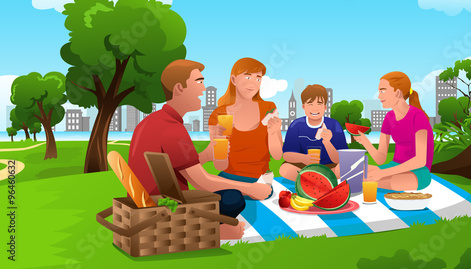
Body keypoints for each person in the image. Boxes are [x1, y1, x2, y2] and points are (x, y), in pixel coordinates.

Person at [128, 59, 272, 240]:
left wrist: (206, 155)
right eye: (199, 82)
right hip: (165, 208)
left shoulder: (156, 121)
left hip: (155, 200)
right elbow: (201, 182)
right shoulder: (172, 129)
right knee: (233, 198)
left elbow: (178, 164)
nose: (203, 89)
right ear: (180, 88)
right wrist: (251, 188)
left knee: (229, 195)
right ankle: (209, 232)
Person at [208, 58, 283, 192]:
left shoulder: (268, 108)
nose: (253, 83)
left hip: (261, 182)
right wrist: (220, 145)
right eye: (248, 77)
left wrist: (273, 132)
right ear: (233, 79)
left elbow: (277, 155)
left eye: (258, 78)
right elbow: (219, 165)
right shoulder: (220, 114)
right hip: (228, 180)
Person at [354, 71, 434, 191]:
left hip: (418, 172)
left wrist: (382, 173)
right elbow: (380, 159)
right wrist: (365, 141)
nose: (379, 96)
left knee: (368, 179)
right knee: (351, 170)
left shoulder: (418, 116)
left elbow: (420, 160)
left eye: (383, 91)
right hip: (393, 167)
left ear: (397, 92)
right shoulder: (389, 118)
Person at [279, 84, 348, 181]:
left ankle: (312, 181)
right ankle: (319, 181)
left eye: (319, 104)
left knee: (343, 168)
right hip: (303, 168)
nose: (315, 108)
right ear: (304, 106)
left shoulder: (333, 125)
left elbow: (340, 159)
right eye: (310, 104)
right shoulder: (296, 125)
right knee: (285, 169)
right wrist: (304, 158)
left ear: (325, 107)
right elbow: (287, 155)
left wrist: (327, 142)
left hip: (329, 168)